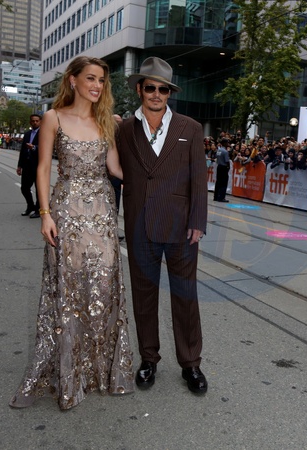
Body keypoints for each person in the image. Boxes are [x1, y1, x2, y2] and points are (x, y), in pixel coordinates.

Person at [9, 56, 134, 410]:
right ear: (73, 80)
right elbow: (43, 168)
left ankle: (98, 368)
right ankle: (70, 371)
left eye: (101, 80)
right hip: (67, 212)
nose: (97, 85)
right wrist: (45, 213)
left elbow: (114, 168)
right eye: (91, 78)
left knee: (104, 287)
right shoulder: (53, 117)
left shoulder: (105, 121)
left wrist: (153, 178)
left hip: (102, 214)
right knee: (70, 288)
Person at [116, 56, 209, 394]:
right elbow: (112, 173)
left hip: (182, 227)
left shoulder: (190, 128)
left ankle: (191, 363)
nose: (156, 94)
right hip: (140, 226)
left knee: (186, 297)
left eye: (163, 89)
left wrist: (198, 221)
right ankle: (149, 358)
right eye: (150, 87)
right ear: (140, 89)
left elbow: (198, 178)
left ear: (170, 93)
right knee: (143, 297)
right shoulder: (123, 129)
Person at [16, 115, 41, 217]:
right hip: (27, 165)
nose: (35, 122)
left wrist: (34, 147)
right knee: (24, 188)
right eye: (33, 121)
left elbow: (47, 148)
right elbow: (22, 150)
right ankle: (30, 206)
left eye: (37, 121)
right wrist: (19, 166)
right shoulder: (27, 134)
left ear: (40, 122)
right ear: (30, 122)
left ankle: (38, 210)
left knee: (39, 189)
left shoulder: (44, 133)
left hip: (38, 165)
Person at [214, 137, 230, 202]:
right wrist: (228, 167)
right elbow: (227, 161)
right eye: (227, 142)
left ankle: (216, 196)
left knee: (218, 182)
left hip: (219, 166)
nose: (228, 144)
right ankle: (221, 197)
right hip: (223, 167)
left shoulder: (218, 150)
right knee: (223, 183)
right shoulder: (225, 152)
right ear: (225, 143)